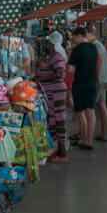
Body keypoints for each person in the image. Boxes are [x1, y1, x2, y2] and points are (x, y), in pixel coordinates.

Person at [36, 32, 69, 161]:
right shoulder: (53, 56)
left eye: (49, 43)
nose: (47, 45)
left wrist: (42, 77)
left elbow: (60, 73)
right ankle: (57, 151)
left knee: (59, 119)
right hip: (52, 93)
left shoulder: (57, 57)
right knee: (53, 120)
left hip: (56, 93)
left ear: (52, 44)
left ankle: (62, 154)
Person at [67, 25, 99, 149]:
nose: (73, 40)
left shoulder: (76, 50)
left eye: (74, 38)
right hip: (92, 83)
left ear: (79, 36)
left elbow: (70, 69)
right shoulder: (94, 47)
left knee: (80, 113)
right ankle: (89, 141)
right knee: (91, 112)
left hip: (79, 84)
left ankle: (84, 139)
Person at [85, 26, 107, 141]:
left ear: (91, 34)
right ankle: (103, 133)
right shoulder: (100, 45)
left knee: (90, 108)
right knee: (102, 105)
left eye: (85, 35)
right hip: (103, 79)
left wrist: (97, 79)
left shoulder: (95, 45)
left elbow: (99, 61)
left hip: (98, 80)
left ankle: (87, 136)